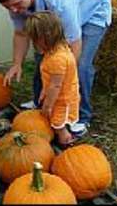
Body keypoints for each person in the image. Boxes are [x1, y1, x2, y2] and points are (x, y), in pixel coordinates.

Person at [0, 0, 112, 137]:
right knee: (44, 57)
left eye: (17, 5)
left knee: (80, 67)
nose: (13, 10)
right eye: (8, 7)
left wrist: (63, 77)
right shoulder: (16, 3)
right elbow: (21, 34)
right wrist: (17, 63)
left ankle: (82, 117)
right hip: (68, 13)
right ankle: (38, 102)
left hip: (93, 12)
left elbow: (74, 42)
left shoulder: (60, 2)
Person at [24, 11, 80, 146]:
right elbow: (50, 81)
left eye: (35, 39)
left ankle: (66, 141)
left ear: (46, 37)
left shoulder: (58, 59)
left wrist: (48, 106)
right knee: (56, 120)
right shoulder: (58, 49)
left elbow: (56, 86)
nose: (34, 43)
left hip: (62, 99)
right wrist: (44, 91)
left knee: (57, 124)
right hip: (59, 95)